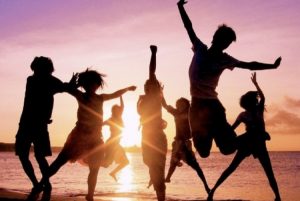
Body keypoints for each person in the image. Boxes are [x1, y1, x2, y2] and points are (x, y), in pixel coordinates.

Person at [177, 0, 282, 158]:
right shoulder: (199, 48)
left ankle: (254, 136)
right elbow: (188, 27)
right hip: (197, 106)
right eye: (224, 41)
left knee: (228, 149)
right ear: (215, 38)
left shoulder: (225, 59)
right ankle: (213, 130)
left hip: (213, 106)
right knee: (204, 152)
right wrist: (180, 7)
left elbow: (249, 65)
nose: (225, 46)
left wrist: (272, 66)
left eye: (227, 44)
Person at [37, 69, 136, 201]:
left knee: (94, 169)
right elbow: (68, 89)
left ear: (97, 85)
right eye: (89, 83)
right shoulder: (81, 95)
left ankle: (90, 195)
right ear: (85, 84)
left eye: (94, 83)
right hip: (79, 137)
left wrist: (127, 89)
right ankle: (39, 185)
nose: (93, 86)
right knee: (59, 162)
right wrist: (76, 84)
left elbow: (114, 94)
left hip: (95, 138)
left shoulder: (101, 98)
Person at [207, 73, 281, 201]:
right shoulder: (243, 115)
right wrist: (221, 133)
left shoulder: (259, 110)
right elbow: (231, 129)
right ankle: (212, 192)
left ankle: (278, 197)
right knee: (232, 168)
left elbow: (262, 97)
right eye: (253, 101)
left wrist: (256, 84)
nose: (256, 101)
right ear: (247, 104)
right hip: (247, 143)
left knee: (269, 172)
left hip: (258, 144)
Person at [15, 56, 67, 200]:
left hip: (35, 124)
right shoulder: (35, 80)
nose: (36, 71)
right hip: (27, 123)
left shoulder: (46, 80)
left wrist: (72, 85)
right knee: (25, 155)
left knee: (37, 156)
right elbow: (64, 87)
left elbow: (64, 87)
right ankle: (39, 185)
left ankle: (43, 185)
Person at [137, 45, 167, 201]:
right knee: (148, 162)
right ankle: (155, 180)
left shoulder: (156, 96)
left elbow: (152, 71)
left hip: (157, 136)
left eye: (152, 83)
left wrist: (153, 53)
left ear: (155, 87)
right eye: (147, 84)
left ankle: (161, 196)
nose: (149, 84)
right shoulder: (143, 98)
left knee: (158, 168)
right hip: (146, 135)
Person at [162, 97, 210, 194]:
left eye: (182, 104)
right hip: (177, 143)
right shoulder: (175, 112)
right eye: (178, 105)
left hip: (186, 143)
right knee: (173, 163)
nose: (180, 106)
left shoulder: (190, 112)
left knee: (196, 167)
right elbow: (165, 105)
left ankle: (206, 185)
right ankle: (167, 178)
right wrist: (160, 93)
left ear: (187, 104)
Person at [102, 96, 129, 181]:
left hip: (116, 144)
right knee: (106, 164)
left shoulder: (120, 117)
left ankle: (113, 173)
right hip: (111, 143)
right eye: (116, 110)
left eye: (119, 110)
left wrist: (121, 95)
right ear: (113, 111)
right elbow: (102, 123)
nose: (119, 110)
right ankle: (94, 161)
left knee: (125, 162)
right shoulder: (111, 119)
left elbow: (122, 106)